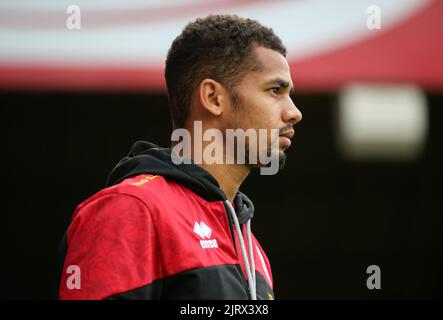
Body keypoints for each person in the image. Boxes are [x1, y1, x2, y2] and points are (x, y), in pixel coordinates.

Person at [59, 14, 302, 300]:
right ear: (213, 98)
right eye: (275, 90)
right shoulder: (132, 209)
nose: (294, 112)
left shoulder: (251, 247)